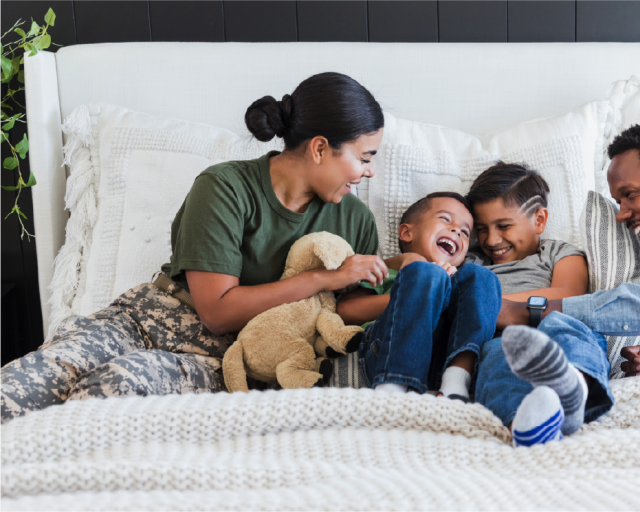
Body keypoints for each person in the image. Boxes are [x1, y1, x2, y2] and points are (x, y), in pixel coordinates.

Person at [0, 72, 389, 423]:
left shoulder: (354, 221)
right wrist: (324, 277)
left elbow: (346, 310)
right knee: (24, 385)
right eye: (364, 157)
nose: (369, 171)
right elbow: (217, 310)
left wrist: (419, 276)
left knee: (114, 391)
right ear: (320, 149)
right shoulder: (225, 187)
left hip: (224, 360)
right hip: (146, 320)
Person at [490, 125, 640, 446]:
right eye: (618, 200)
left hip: (552, 325)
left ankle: (575, 390)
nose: (620, 214)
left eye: (630, 194)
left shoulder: (557, 255)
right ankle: (530, 421)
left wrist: (527, 311)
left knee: (561, 324)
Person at [466, 162, 613, 447]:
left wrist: (498, 305)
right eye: (482, 229)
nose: (491, 240)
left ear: (539, 220)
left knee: (567, 327)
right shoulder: (473, 262)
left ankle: (577, 389)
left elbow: (569, 294)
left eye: (504, 226)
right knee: (495, 354)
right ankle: (522, 423)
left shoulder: (559, 252)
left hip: (555, 320)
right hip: (501, 337)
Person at [337, 192, 502, 400]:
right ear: (407, 233)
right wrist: (411, 295)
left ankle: (456, 382)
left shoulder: (461, 283)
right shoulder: (385, 270)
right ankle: (393, 388)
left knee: (483, 277)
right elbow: (343, 311)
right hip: (382, 357)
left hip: (441, 364)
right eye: (445, 219)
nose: (456, 231)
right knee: (426, 273)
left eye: (465, 232)